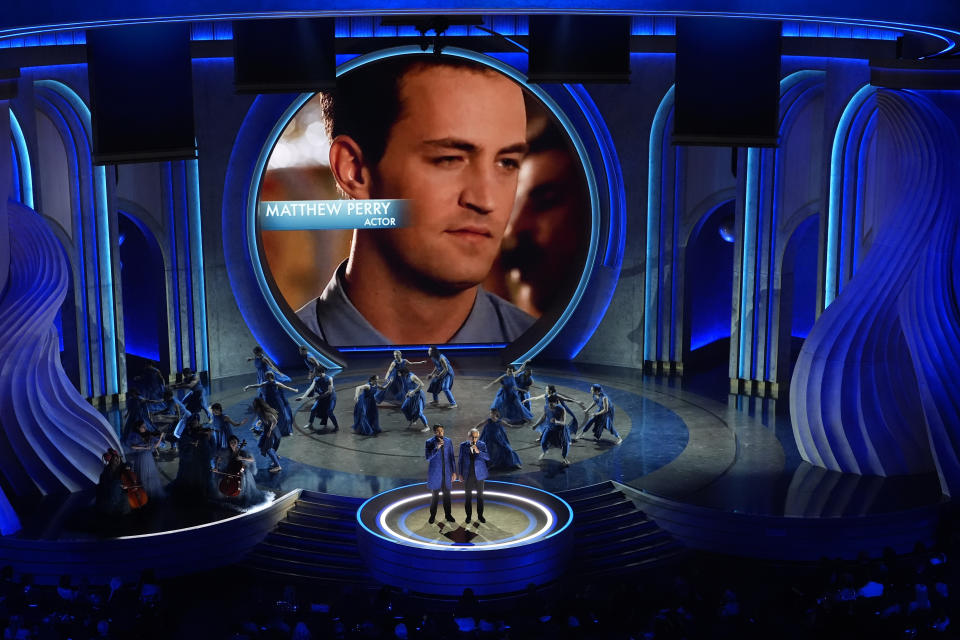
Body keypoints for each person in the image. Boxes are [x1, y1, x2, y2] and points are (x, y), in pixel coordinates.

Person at [295, 55, 535, 346]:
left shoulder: (558, 363)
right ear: (354, 171)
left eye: (507, 163)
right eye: (449, 159)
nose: (486, 201)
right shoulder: (268, 368)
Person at [212, 435, 268, 509]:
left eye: (235, 442)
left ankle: (239, 498)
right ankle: (228, 495)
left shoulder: (242, 452)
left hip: (241, 473)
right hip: (229, 471)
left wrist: (242, 458)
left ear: (238, 443)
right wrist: (216, 467)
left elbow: (252, 459)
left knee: (242, 483)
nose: (233, 444)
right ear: (229, 443)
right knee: (220, 479)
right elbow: (217, 459)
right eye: (231, 442)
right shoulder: (227, 452)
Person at [244, 372, 298, 437]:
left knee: (282, 415)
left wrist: (294, 390)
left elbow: (286, 387)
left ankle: (286, 431)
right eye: (266, 377)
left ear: (271, 376)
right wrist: (249, 386)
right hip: (269, 402)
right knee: (268, 416)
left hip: (277, 401)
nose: (267, 378)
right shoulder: (265, 383)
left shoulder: (276, 383)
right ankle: (268, 430)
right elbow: (257, 385)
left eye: (267, 376)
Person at [123, 421, 165, 499]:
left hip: (148, 458)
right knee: (141, 474)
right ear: (138, 428)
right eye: (143, 427)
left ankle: (149, 493)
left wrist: (160, 438)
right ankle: (142, 494)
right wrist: (145, 447)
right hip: (141, 458)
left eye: (145, 426)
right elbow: (133, 446)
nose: (145, 428)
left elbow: (155, 446)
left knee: (149, 474)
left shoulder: (148, 435)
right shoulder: (134, 436)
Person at [425, 424, 456, 524]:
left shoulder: (448, 441)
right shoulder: (429, 442)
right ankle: (432, 516)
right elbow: (428, 457)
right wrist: (436, 448)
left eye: (442, 431)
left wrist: (454, 472)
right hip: (436, 474)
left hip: (446, 474)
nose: (440, 433)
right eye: (438, 431)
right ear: (434, 432)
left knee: (447, 496)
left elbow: (451, 457)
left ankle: (448, 515)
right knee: (435, 497)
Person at [457, 428, 490, 524]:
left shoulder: (482, 445)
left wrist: (478, 451)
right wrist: (460, 474)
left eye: (476, 437)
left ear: (478, 437)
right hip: (468, 475)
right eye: (472, 437)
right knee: (468, 497)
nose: (474, 439)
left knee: (480, 497)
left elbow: (487, 457)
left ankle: (480, 516)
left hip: (479, 475)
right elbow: (460, 460)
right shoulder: (463, 446)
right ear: (469, 437)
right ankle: (468, 517)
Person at [296, 366, 339, 432]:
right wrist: (303, 397)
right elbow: (310, 388)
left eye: (315, 372)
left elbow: (329, 392)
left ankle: (336, 426)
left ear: (320, 372)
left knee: (329, 412)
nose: (314, 373)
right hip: (322, 397)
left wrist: (319, 397)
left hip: (331, 398)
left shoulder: (329, 379)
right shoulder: (316, 379)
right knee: (313, 409)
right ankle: (310, 424)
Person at [532, 395, 571, 465]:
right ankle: (544, 451)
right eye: (549, 403)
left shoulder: (561, 409)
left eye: (551, 404)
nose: (550, 405)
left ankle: (564, 458)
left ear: (556, 402)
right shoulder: (546, 407)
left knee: (564, 444)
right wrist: (536, 425)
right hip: (549, 428)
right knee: (543, 442)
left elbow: (564, 422)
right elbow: (543, 417)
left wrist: (557, 421)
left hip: (560, 429)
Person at [251, 397, 283, 474]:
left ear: (259, 406)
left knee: (268, 448)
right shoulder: (260, 412)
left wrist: (270, 430)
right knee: (262, 445)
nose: (255, 408)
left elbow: (275, 421)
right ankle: (275, 456)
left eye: (256, 406)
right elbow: (261, 420)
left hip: (271, 431)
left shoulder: (267, 413)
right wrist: (257, 424)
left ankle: (277, 466)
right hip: (266, 430)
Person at [95, 449, 131, 516]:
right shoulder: (107, 469)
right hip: (113, 488)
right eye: (114, 459)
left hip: (121, 488)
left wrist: (128, 467)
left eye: (117, 458)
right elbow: (105, 481)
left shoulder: (122, 465)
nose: (116, 460)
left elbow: (127, 464)